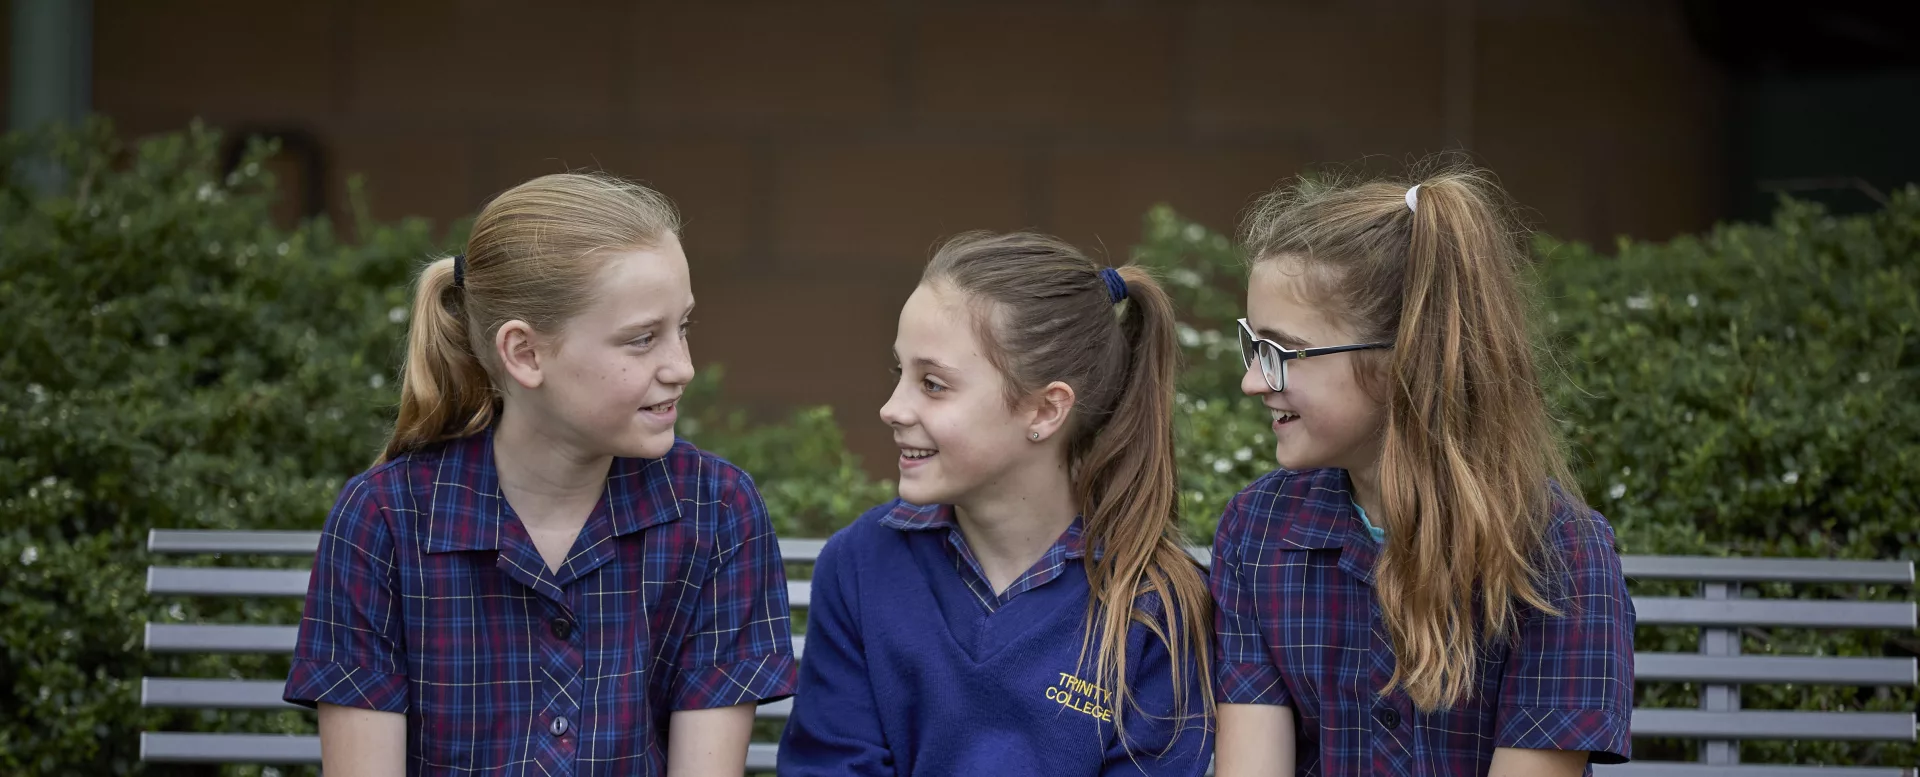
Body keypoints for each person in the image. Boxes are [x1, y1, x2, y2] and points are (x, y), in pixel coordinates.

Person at [284, 173, 797, 776]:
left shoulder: (718, 511)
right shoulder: (383, 520)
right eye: (641, 339)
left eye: (682, 327)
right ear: (525, 353)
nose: (681, 366)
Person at [1210, 163, 1636, 776]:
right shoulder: (1257, 532)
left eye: (1279, 353)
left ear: (1401, 357)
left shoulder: (1558, 555)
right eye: (1252, 346)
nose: (1252, 382)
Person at [779, 231, 1214, 776]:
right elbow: (832, 765)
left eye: (933, 384)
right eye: (900, 373)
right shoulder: (861, 565)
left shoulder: (1153, 604)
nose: (892, 408)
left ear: (1044, 411)